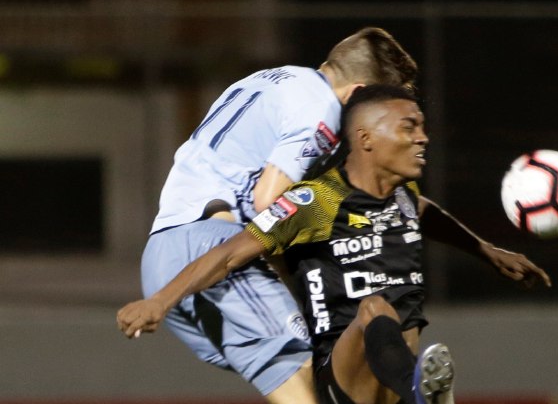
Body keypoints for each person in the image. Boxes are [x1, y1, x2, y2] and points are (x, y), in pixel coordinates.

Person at [118, 85, 552, 404]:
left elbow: (428, 214)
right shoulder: (315, 201)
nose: (423, 137)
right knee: (374, 309)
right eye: (409, 127)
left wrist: (487, 251)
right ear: (366, 139)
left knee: (387, 318)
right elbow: (227, 254)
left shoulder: (404, 196)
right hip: (345, 382)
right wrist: (159, 301)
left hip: (394, 384)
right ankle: (425, 392)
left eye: (422, 126)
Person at [138, 27, 419, 403]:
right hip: (212, 248)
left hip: (165, 254)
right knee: (304, 371)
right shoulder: (321, 110)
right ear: (357, 95)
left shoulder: (275, 78)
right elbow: (267, 201)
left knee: (306, 377)